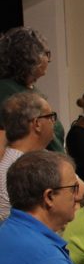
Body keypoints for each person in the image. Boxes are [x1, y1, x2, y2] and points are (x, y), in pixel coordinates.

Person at [0, 27, 65, 153]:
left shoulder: (30, 89)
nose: (49, 60)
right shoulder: (5, 91)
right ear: (28, 57)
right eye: (46, 54)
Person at [0, 93, 58, 222]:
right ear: (37, 123)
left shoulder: (46, 158)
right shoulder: (9, 173)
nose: (54, 123)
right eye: (50, 117)